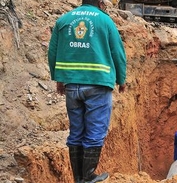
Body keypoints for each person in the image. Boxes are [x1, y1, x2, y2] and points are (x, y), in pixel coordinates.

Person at [48, 0, 127, 182]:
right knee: (95, 133)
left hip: (72, 85)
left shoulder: (64, 20)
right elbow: (118, 52)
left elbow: (52, 52)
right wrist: (121, 79)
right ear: (100, 2)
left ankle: (78, 177)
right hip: (98, 84)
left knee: (76, 132)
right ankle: (88, 175)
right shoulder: (105, 20)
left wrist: (58, 78)